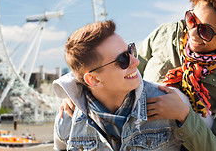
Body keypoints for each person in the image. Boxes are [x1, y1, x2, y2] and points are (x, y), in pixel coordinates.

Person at [56, 0, 216, 151]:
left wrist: (184, 116)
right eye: (191, 19)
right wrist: (79, 91)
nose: (192, 32)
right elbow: (119, 67)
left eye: (205, 31)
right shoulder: (166, 35)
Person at [53, 20, 187, 151]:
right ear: (94, 80)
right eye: (123, 59)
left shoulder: (171, 103)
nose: (135, 61)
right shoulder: (66, 120)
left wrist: (184, 116)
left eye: (131, 50)